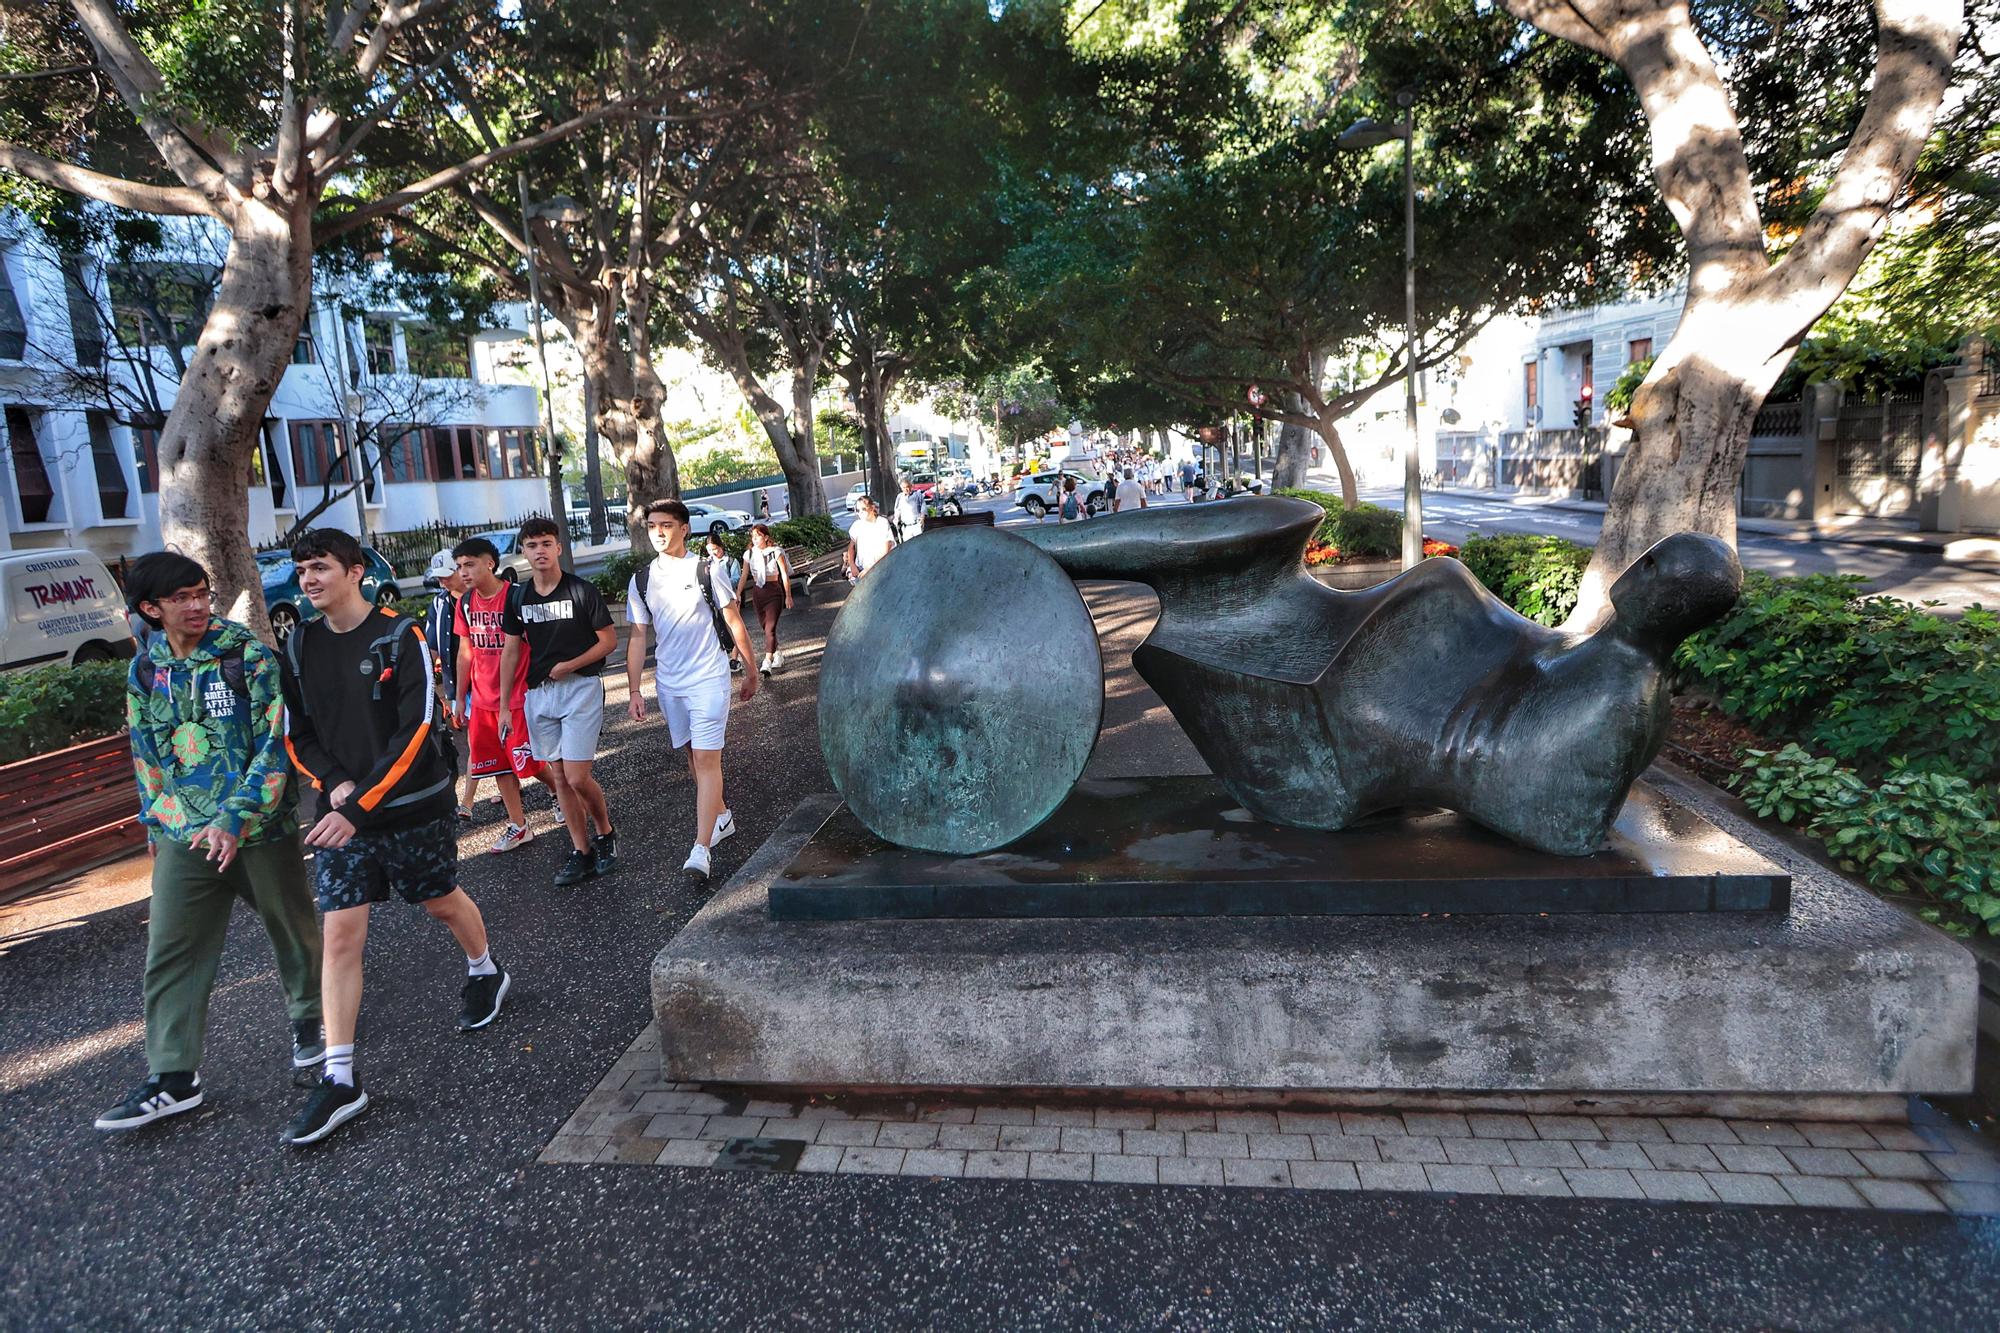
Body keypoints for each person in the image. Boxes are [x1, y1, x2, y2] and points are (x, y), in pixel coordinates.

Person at [278, 527, 508, 1146]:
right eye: (302, 571)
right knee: (340, 936)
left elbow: (417, 729)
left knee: (438, 900)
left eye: (321, 567)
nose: (309, 580)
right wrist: (334, 785)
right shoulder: (298, 644)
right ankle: (341, 1077)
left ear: (354, 571)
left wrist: (363, 802)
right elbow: (296, 732)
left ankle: (485, 970)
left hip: (410, 807)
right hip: (343, 814)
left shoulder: (398, 634)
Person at [95, 553, 324, 1133]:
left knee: (292, 931)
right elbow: (145, 752)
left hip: (258, 827)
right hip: (183, 833)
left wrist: (235, 817)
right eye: (182, 599)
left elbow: (276, 745)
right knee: (170, 949)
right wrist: (156, 823)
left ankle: (313, 1025)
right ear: (151, 609)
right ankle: (174, 1076)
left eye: (202, 593)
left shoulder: (244, 654)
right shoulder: (144, 669)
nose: (197, 606)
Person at [625, 500, 759, 881]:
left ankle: (700, 850)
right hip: (670, 683)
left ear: (685, 528)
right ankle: (721, 816)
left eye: (666, 524)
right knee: (691, 753)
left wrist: (751, 670)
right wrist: (635, 690)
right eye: (652, 526)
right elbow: (637, 636)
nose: (659, 532)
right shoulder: (641, 580)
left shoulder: (706, 570)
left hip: (708, 678)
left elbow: (733, 621)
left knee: (705, 759)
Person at [497, 518, 619, 889]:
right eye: (532, 545)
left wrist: (569, 665)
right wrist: (505, 704)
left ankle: (605, 833)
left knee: (578, 776)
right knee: (561, 779)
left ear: (559, 548)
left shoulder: (580, 590)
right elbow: (510, 651)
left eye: (546, 544)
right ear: (524, 551)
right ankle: (581, 851)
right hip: (539, 695)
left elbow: (607, 641)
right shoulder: (517, 596)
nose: (540, 552)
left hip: (579, 688)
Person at [452, 536, 543, 852]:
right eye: (459, 566)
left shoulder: (515, 597)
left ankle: (562, 793)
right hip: (481, 701)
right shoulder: (464, 603)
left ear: (490, 563)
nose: (463, 572)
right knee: (498, 766)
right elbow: (465, 653)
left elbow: (536, 644)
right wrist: (458, 698)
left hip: (517, 697)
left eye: (470, 564)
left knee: (530, 763)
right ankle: (519, 826)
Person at [426, 564, 477, 822]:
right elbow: (432, 648)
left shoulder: (477, 597)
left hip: (484, 682)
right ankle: (470, 800)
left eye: (447, 575)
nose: (443, 581)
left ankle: (467, 801)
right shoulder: (439, 604)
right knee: (479, 743)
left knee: (482, 745)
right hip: (457, 683)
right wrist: (442, 692)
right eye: (439, 577)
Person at [741, 523, 794, 675]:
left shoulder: (775, 552)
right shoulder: (749, 554)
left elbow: (784, 574)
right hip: (758, 592)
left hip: (774, 592)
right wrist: (738, 593)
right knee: (766, 628)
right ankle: (777, 654)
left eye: (758, 536)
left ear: (765, 537)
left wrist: (788, 595)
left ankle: (767, 662)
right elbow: (745, 575)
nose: (755, 539)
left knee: (770, 628)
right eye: (753, 536)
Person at [703, 533, 746, 674]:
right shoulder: (706, 563)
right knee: (718, 628)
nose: (713, 553)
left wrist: (720, 581)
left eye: (715, 549)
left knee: (733, 627)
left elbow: (736, 578)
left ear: (720, 546)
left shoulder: (730, 561)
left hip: (730, 598)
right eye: (709, 550)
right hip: (713, 601)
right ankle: (723, 657)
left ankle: (734, 659)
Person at [844, 496, 896, 580]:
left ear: (872, 508)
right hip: (860, 570)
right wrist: (852, 565)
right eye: (858, 510)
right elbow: (851, 547)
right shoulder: (856, 525)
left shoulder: (882, 523)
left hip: (880, 568)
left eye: (863, 509)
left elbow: (887, 548)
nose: (860, 512)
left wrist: (869, 569)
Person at [892, 476, 924, 543]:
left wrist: (922, 517)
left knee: (919, 543)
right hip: (906, 527)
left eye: (908, 487)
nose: (906, 489)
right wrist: (896, 520)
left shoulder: (917, 495)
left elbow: (923, 507)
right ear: (901, 488)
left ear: (911, 486)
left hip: (916, 525)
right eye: (904, 487)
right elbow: (897, 510)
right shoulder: (900, 497)